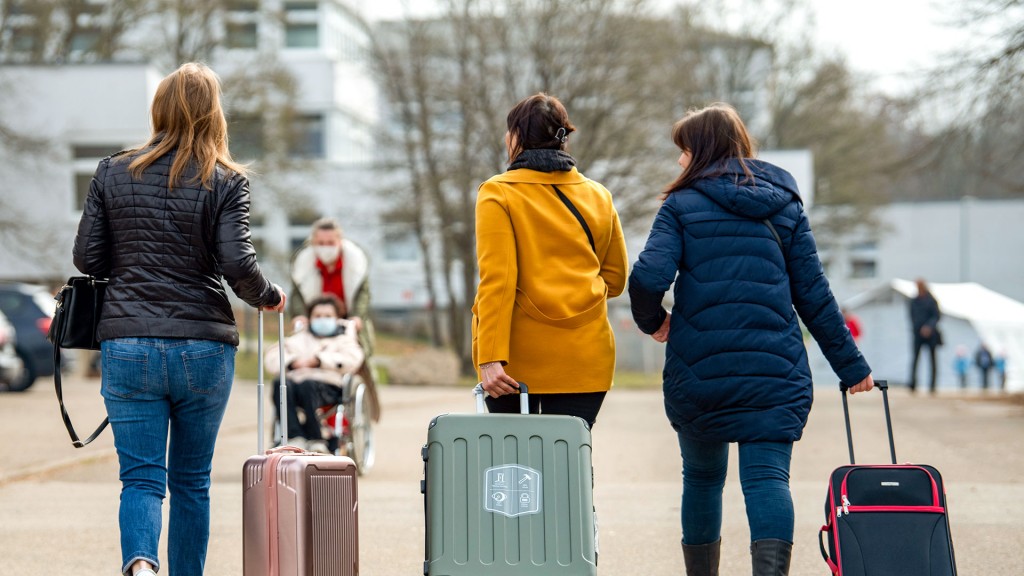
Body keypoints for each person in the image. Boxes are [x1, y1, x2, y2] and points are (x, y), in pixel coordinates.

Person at [627, 103, 873, 576]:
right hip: (773, 371)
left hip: (701, 372)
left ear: (699, 151)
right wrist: (852, 366)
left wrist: (654, 321)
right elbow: (815, 296)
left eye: (682, 151)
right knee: (766, 480)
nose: (679, 162)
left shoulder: (680, 206)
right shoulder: (784, 206)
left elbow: (647, 277)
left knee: (701, 481)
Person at [72, 62, 286, 576]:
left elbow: (88, 259)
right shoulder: (226, 180)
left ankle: (141, 566)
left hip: (127, 343)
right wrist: (268, 296)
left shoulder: (112, 171)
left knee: (142, 479)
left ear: (159, 108)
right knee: (192, 480)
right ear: (215, 113)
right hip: (203, 346)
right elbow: (237, 263)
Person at [473, 93, 629, 428]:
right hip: (585, 356)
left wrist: (489, 357)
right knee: (568, 466)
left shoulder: (498, 193)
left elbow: (498, 281)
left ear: (516, 137)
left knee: (515, 470)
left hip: (514, 363)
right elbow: (616, 279)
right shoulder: (599, 195)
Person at [264, 294, 364, 453]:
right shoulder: (299, 337)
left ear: (337, 318)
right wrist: (291, 362)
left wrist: (319, 360)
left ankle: (316, 438)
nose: (322, 319)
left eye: (328, 316)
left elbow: (353, 358)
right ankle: (295, 436)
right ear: (310, 318)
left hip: (328, 386)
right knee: (280, 385)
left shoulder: (344, 339)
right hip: (295, 383)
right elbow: (272, 357)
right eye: (317, 316)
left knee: (307, 385)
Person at [290, 217, 374, 355]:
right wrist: (300, 315)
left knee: (359, 356)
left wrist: (357, 316)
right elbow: (297, 294)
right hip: (316, 322)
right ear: (313, 242)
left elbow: (363, 294)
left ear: (339, 241)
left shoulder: (356, 264)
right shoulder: (302, 266)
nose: (325, 247)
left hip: (348, 321)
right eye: (321, 243)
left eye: (330, 242)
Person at [909, 278, 942, 393]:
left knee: (932, 360)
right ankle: (912, 384)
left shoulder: (931, 300)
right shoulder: (914, 300)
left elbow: (936, 316)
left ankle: (932, 385)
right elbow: (912, 316)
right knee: (915, 359)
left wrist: (929, 327)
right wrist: (916, 328)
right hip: (918, 334)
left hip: (930, 335)